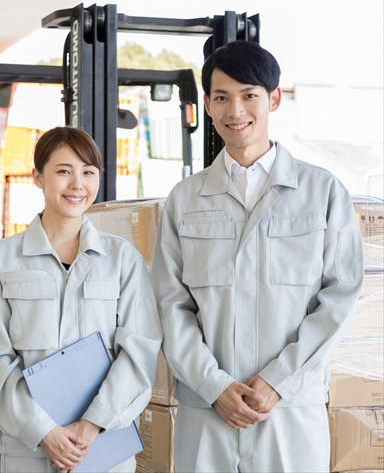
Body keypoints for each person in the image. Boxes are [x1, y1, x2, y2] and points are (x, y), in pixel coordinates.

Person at [151, 40, 364, 472]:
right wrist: (215, 386)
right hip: (208, 411)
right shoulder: (185, 200)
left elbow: (339, 298)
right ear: (208, 105)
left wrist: (276, 381)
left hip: (288, 409)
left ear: (274, 98)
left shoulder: (322, 193)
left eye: (249, 95)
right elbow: (171, 306)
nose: (236, 111)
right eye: (223, 98)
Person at [0, 126, 162, 472]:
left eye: (88, 173)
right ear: (38, 178)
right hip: (29, 452)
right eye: (63, 171)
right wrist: (44, 431)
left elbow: (139, 352)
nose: (78, 185)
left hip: (103, 449)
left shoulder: (123, 260)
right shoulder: (1, 260)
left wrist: (92, 425)